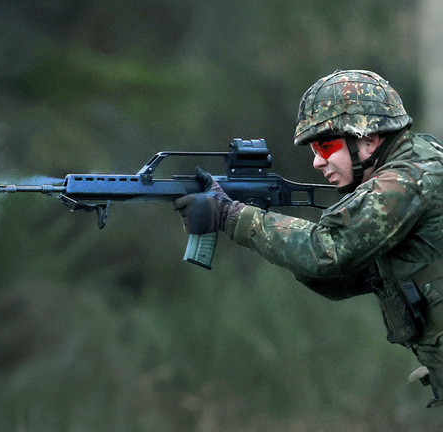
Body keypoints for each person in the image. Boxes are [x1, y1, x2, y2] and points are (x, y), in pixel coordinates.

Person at [174, 69, 443, 408]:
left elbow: (327, 251)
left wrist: (233, 217)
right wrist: (264, 231)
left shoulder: (407, 181)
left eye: (326, 144)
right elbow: (335, 277)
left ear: (369, 139)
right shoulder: (421, 161)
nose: (317, 161)